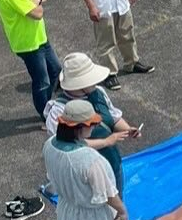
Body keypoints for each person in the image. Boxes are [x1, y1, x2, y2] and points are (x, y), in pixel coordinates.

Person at [44, 52, 140, 196]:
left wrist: (128, 129)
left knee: (117, 196)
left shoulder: (99, 92)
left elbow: (113, 117)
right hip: (84, 173)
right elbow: (66, 146)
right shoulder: (59, 111)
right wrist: (106, 141)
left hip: (111, 160)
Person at [0, 0, 61, 119]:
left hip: (40, 38)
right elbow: (37, 14)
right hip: (27, 44)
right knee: (42, 81)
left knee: (56, 70)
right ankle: (45, 116)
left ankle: (50, 107)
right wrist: (37, 0)